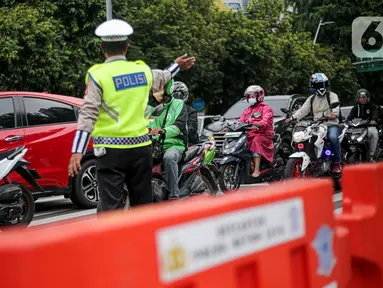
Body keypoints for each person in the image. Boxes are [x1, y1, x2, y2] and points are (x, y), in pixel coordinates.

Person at [68, 19, 195, 213]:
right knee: (142, 209)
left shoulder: (98, 74)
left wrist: (77, 150)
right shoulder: (141, 70)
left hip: (111, 152)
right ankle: (143, 242)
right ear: (127, 47)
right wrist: (177, 65)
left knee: (111, 209)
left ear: (102, 48)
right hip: (141, 150)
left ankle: (115, 243)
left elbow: (88, 113)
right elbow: (163, 76)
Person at [285, 73, 342, 173]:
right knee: (306, 138)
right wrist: (292, 118)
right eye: (318, 85)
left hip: (331, 124)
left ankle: (337, 162)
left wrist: (334, 114)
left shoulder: (332, 96)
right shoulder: (311, 99)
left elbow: (336, 108)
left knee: (333, 138)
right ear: (313, 87)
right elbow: (303, 110)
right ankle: (313, 160)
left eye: (322, 85)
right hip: (318, 125)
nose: (321, 87)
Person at [150, 79, 189, 200]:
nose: (157, 96)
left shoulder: (178, 104)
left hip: (175, 145)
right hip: (155, 146)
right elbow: (147, 124)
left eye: (160, 92)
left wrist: (163, 131)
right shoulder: (153, 108)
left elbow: (179, 126)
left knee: (169, 157)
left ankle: (173, 195)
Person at [238, 85, 274, 178]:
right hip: (249, 133)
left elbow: (267, 120)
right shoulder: (248, 109)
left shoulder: (266, 108)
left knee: (255, 141)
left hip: (263, 134)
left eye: (253, 96)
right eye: (249, 96)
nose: (251, 98)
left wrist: (259, 124)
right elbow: (241, 120)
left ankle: (257, 169)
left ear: (259, 96)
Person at [346, 88, 379, 162]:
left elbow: (375, 115)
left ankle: (371, 155)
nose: (362, 99)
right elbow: (349, 118)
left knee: (374, 133)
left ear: (367, 98)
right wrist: (346, 122)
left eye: (364, 97)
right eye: (361, 97)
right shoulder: (355, 108)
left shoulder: (372, 107)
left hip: (369, 126)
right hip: (357, 128)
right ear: (358, 98)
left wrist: (373, 120)